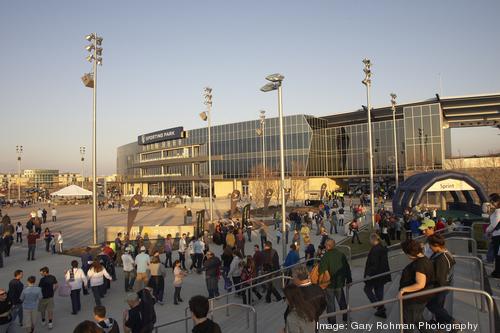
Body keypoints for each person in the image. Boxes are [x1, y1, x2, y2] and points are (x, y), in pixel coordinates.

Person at [398, 239, 435, 331]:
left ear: (410, 253)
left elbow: (420, 284)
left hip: (414, 300)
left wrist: (403, 290)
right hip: (420, 298)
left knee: (408, 324)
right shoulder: (424, 259)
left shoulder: (420, 264)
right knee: (418, 319)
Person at [319, 239, 352, 324]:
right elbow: (347, 268)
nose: (325, 246)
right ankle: (346, 319)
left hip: (329, 285)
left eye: (326, 245)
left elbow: (322, 270)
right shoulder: (341, 254)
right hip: (340, 283)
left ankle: (332, 323)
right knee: (342, 302)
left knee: (330, 305)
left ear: (328, 246)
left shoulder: (325, 256)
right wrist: (349, 279)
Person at [426, 234, 456, 327]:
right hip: (444, 285)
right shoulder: (444, 253)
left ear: (436, 245)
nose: (430, 248)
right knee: (438, 306)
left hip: (441, 287)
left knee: (432, 305)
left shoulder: (441, 259)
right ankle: (440, 324)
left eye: (430, 246)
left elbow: (440, 278)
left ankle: (452, 322)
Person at [363, 233, 391, 318]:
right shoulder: (381, 248)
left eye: (370, 239)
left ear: (373, 240)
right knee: (379, 292)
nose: (369, 241)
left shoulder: (375, 250)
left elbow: (374, 265)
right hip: (382, 274)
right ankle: (381, 310)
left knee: (367, 289)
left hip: (376, 275)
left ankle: (379, 306)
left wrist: (368, 274)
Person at [486, 193, 500, 278]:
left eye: (491, 202)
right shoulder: (496, 211)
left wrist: (487, 230)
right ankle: (496, 272)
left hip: (498, 235)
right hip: (496, 235)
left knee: (497, 255)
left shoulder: (498, 211)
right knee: (497, 255)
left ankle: (497, 273)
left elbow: (494, 224)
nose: (490, 204)